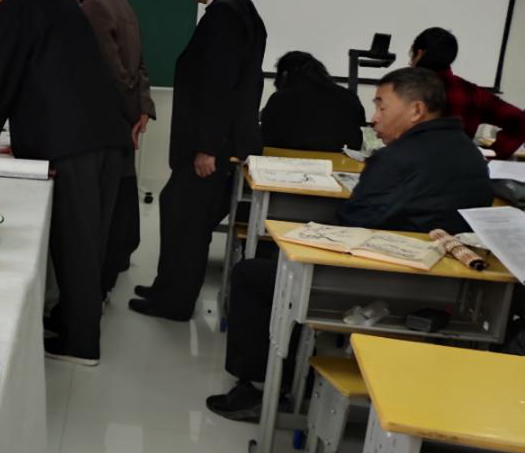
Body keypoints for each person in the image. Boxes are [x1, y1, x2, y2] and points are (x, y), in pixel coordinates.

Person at [207, 67, 494, 420]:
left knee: (251, 274)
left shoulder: (394, 158)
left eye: (382, 107)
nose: (374, 118)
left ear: (416, 110)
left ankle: (260, 388)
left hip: (377, 284)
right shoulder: (471, 155)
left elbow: (352, 224)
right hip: (448, 295)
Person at [0, 0, 132, 366]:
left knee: (75, 243)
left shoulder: (16, 6)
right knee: (88, 241)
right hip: (103, 138)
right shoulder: (59, 3)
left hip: (74, 144)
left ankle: (81, 344)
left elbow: (2, 73)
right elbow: (50, 75)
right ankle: (70, 320)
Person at [130, 0, 266, 322]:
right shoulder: (243, 11)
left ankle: (173, 302)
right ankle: (166, 288)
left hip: (210, 148)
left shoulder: (225, 15)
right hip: (219, 143)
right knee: (178, 209)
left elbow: (219, 87)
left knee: (187, 222)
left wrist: (207, 148)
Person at [49, 0, 151, 289]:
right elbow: (139, 65)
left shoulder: (92, 8)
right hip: (121, 122)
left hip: (103, 127)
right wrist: (142, 108)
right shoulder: (120, 1)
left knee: (94, 221)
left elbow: (114, 73)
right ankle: (100, 288)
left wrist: (132, 114)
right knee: (112, 212)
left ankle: (89, 295)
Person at [411, 26, 525, 160]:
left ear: (419, 54)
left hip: (409, 167)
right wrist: (490, 156)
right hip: (456, 168)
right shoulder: (471, 93)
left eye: (411, 56)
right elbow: (521, 121)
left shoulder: (404, 90)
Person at [260, 51, 364, 151]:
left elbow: (266, 141)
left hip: (287, 161)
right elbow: (359, 140)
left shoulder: (279, 99)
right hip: (343, 162)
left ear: (284, 75)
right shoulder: (349, 97)